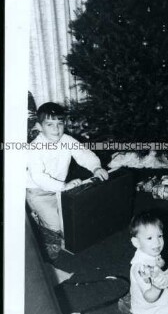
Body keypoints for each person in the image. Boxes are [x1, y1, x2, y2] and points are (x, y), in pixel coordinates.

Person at [26, 102, 109, 260]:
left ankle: (49, 222)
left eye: (60, 124)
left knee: (73, 218)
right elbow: (39, 177)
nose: (56, 130)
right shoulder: (34, 148)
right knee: (55, 226)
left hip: (60, 189)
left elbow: (83, 154)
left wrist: (96, 168)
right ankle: (41, 230)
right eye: (50, 124)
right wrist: (63, 186)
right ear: (39, 126)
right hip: (38, 192)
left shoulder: (67, 140)